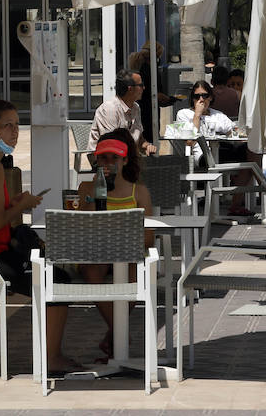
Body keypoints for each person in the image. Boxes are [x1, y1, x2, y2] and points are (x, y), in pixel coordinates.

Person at [0, 99, 75, 373]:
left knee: (53, 274)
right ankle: (51, 358)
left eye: (17, 125)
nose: (14, 132)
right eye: (7, 126)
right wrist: (22, 205)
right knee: (56, 280)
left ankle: (50, 354)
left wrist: (16, 202)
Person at [76, 128, 155, 360]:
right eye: (103, 158)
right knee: (91, 270)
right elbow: (79, 229)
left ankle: (115, 335)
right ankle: (120, 334)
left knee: (134, 274)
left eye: (114, 158)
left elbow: (148, 237)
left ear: (125, 160)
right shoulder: (86, 189)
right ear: (96, 160)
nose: (108, 163)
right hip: (97, 255)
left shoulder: (138, 192)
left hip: (127, 255)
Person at [89, 69, 157, 155]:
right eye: (141, 85)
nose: (144, 88)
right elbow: (111, 143)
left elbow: (139, 139)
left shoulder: (136, 108)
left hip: (126, 159)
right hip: (106, 161)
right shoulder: (110, 109)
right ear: (130, 89)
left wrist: (147, 146)